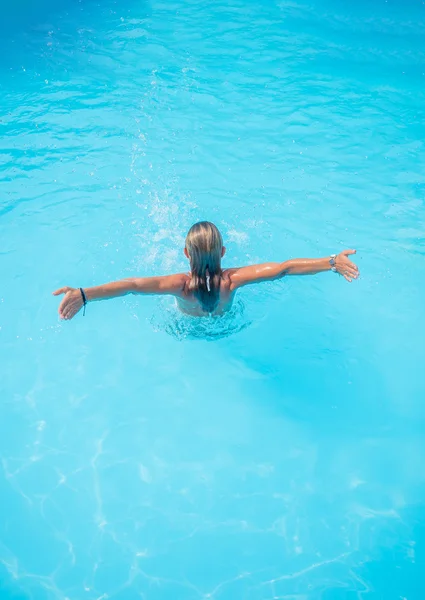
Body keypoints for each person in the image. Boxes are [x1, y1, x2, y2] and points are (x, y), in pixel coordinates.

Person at [53, 221, 359, 320]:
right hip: (228, 325)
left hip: (183, 330)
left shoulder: (178, 285)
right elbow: (283, 269)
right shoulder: (232, 280)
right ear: (223, 253)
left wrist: (84, 294)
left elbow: (132, 284)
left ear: (186, 254)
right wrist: (332, 261)